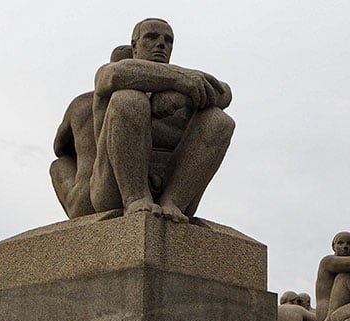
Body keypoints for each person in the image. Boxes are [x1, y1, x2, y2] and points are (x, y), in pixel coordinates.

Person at [90, 18, 234, 223]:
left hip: (173, 185)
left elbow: (224, 93)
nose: (161, 44)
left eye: (168, 40)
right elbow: (113, 75)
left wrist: (181, 92)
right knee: (129, 99)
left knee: (219, 121)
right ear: (134, 46)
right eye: (151, 37)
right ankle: (135, 198)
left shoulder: (188, 80)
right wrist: (178, 79)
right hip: (113, 189)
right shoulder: (112, 71)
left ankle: (173, 202)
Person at [50, 45, 132, 218]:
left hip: (82, 201)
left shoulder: (80, 103)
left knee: (59, 164)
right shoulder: (138, 102)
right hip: (120, 193)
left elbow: (58, 148)